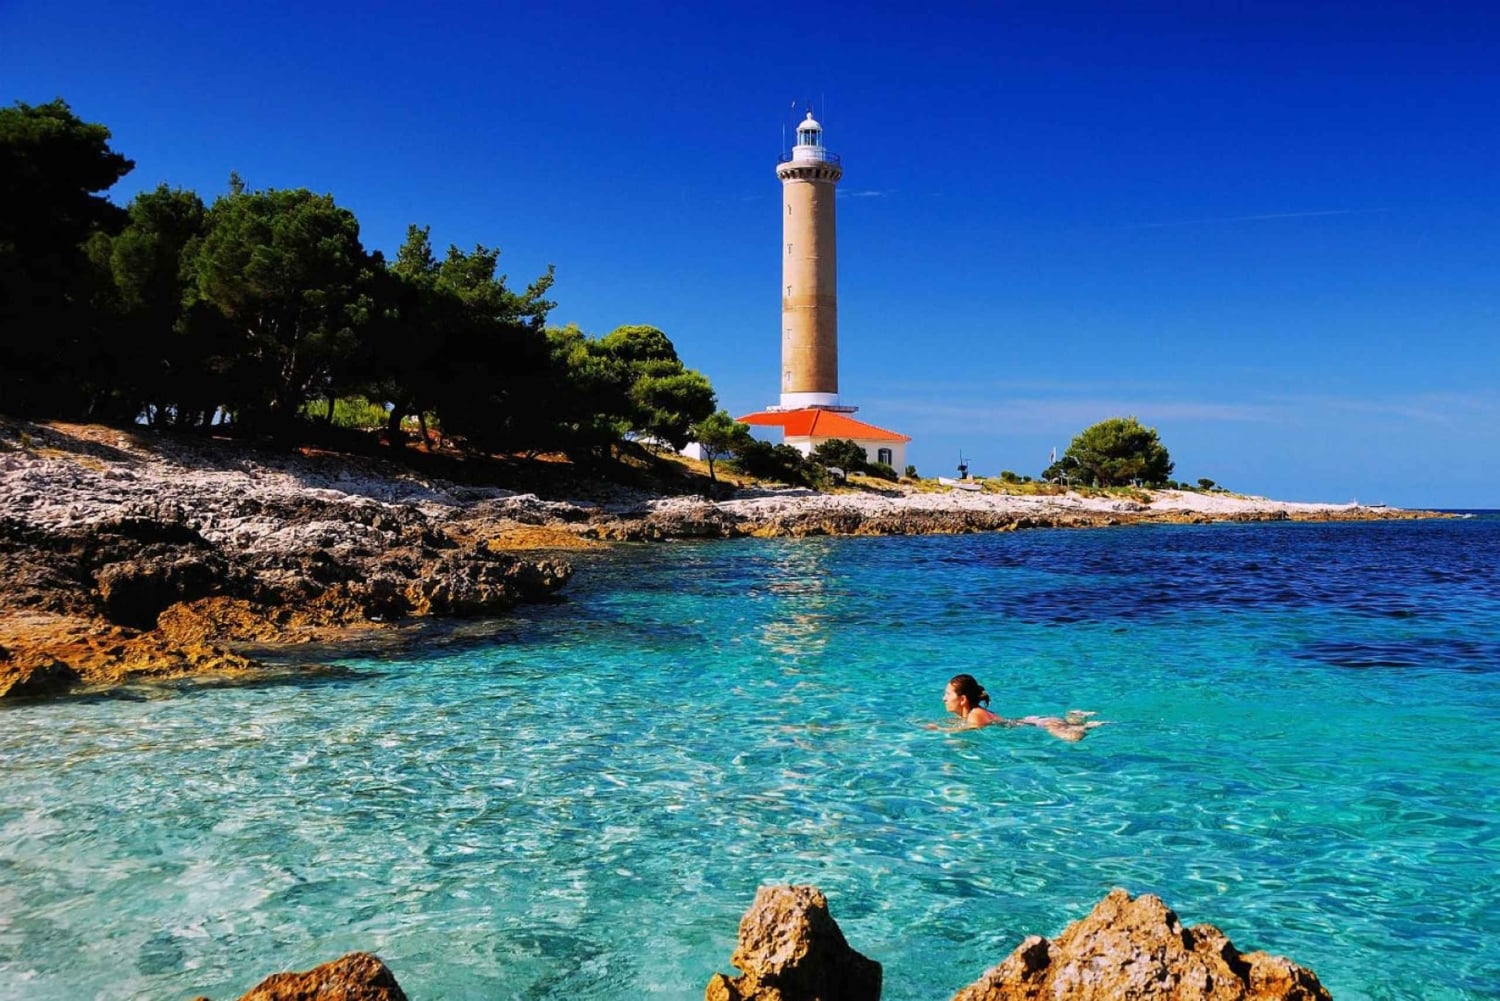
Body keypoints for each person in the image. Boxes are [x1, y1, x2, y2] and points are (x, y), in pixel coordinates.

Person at [942, 673, 1106, 742]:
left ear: (962, 699)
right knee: (1070, 728)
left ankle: (1086, 724)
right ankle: (1076, 717)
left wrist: (940, 730)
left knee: (1073, 737)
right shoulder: (972, 713)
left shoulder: (976, 714)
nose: (944, 698)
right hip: (1031, 721)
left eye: (948, 694)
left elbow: (970, 729)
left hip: (1042, 724)